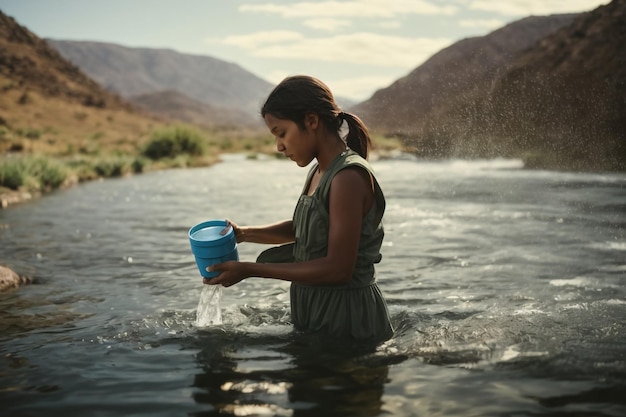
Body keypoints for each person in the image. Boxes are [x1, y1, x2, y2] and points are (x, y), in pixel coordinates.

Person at [205, 75, 394, 343]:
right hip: (317, 312)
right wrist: (243, 233)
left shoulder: (347, 177)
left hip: (347, 319)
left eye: (281, 133)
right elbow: (303, 227)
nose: (279, 146)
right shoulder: (320, 170)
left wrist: (250, 269)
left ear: (311, 121)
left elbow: (338, 269)